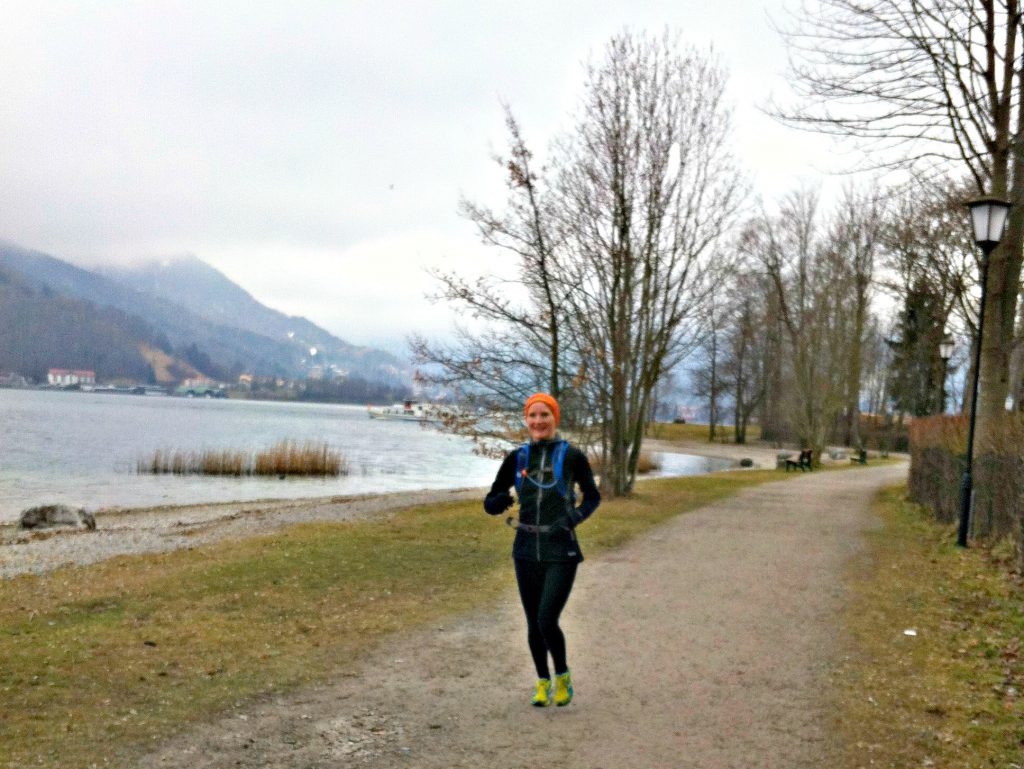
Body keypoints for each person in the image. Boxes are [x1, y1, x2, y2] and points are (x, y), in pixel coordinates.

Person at [483, 392, 600, 707]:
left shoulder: (572, 456)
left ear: (554, 419)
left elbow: (592, 496)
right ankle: (542, 682)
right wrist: (497, 503)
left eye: (544, 415)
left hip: (561, 551)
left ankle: (562, 676)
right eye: (532, 416)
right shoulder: (517, 458)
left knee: (547, 619)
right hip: (524, 550)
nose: (538, 421)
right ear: (527, 420)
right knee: (533, 622)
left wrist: (573, 519)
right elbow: (491, 498)